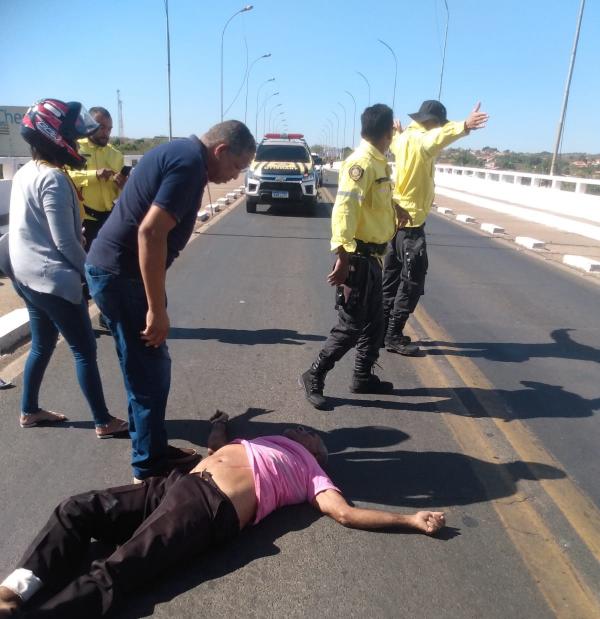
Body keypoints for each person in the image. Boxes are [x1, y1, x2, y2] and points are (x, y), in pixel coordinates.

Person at [0, 412, 446, 618]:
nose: (305, 430)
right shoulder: (260, 442)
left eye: (311, 435)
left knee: (119, 569)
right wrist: (221, 425)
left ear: (316, 454)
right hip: (173, 484)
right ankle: (15, 590)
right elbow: (216, 446)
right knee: (77, 509)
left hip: (207, 508)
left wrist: (409, 520)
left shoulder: (310, 472)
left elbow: (345, 514)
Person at [85, 121, 256, 481]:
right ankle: (147, 468)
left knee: (141, 367)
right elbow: (150, 231)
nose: (234, 176)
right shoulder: (189, 166)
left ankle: (151, 448)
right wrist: (156, 308)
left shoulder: (178, 152)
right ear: (221, 151)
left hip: (117, 273)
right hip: (122, 276)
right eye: (237, 167)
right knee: (150, 373)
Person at [6, 99, 128, 438]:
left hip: (26, 276)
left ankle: (29, 410)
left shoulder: (26, 172)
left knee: (43, 345)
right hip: (53, 280)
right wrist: (92, 273)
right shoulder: (53, 180)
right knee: (84, 350)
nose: (76, 144)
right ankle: (103, 420)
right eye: (72, 137)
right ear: (53, 137)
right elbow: (65, 244)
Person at [300, 104, 411, 410]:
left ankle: (362, 376)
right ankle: (314, 374)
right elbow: (345, 209)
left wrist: (395, 208)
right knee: (351, 325)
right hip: (358, 257)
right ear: (388, 131)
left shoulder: (379, 162)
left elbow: (375, 201)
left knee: (375, 323)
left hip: (374, 258)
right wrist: (343, 256)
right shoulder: (360, 163)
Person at [382, 100, 489, 356]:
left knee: (391, 278)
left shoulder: (406, 138)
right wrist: (464, 125)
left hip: (394, 222)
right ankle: (393, 335)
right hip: (411, 224)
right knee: (413, 282)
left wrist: (397, 131)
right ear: (432, 123)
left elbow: (397, 144)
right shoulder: (422, 142)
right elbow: (439, 138)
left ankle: (380, 330)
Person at [67, 107, 126, 251]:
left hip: (110, 219)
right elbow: (64, 178)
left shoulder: (116, 155)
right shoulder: (74, 149)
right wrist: (94, 175)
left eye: (109, 129)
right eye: (102, 128)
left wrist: (124, 185)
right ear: (89, 124)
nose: (106, 133)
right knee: (83, 266)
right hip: (83, 221)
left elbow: (119, 192)